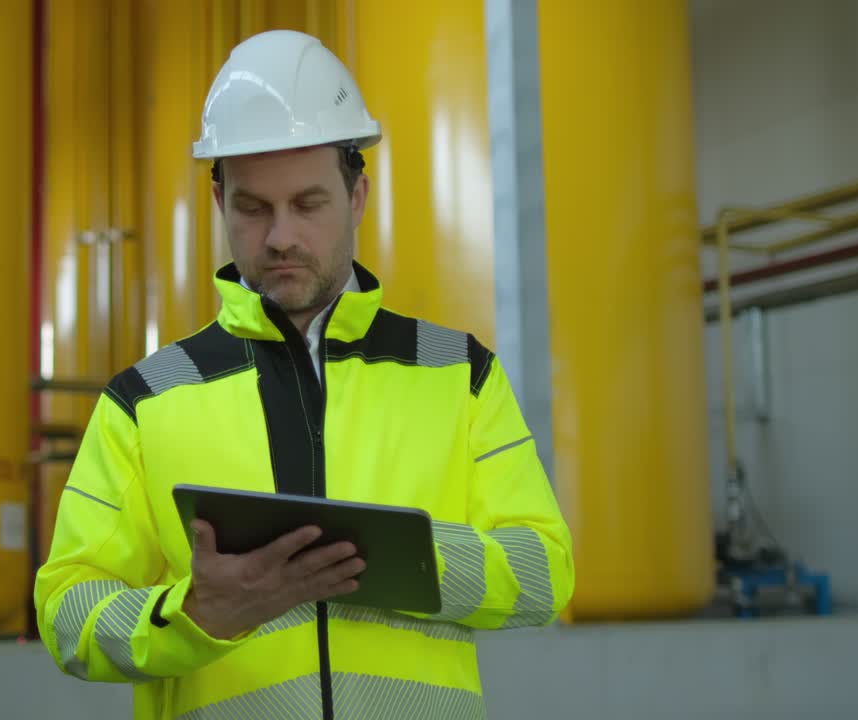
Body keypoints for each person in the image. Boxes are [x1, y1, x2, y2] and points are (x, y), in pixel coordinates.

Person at [35, 29, 574, 720]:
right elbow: (65, 611)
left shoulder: (457, 373)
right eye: (252, 208)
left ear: (357, 197)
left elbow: (544, 573)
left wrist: (394, 559)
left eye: (308, 204)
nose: (281, 236)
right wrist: (195, 613)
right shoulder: (145, 401)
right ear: (218, 201)